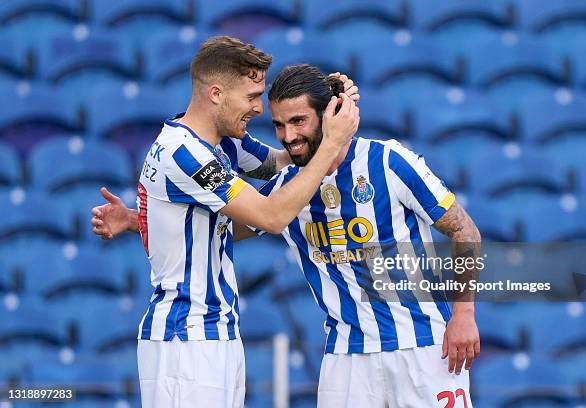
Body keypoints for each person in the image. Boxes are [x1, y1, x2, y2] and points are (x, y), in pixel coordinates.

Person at [94, 64, 480, 407]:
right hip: (345, 358)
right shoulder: (288, 187)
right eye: (279, 125)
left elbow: (465, 231)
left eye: (298, 121)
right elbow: (222, 229)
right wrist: (140, 218)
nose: (288, 136)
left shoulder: (388, 161)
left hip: (424, 348)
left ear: (328, 117)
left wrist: (463, 313)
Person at [93, 37, 359, 408]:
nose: (258, 108)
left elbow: (289, 161)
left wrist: (327, 111)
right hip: (185, 340)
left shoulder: (222, 144)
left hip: (216, 334)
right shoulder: (185, 154)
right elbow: (272, 214)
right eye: (251, 96)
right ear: (216, 93)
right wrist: (331, 143)